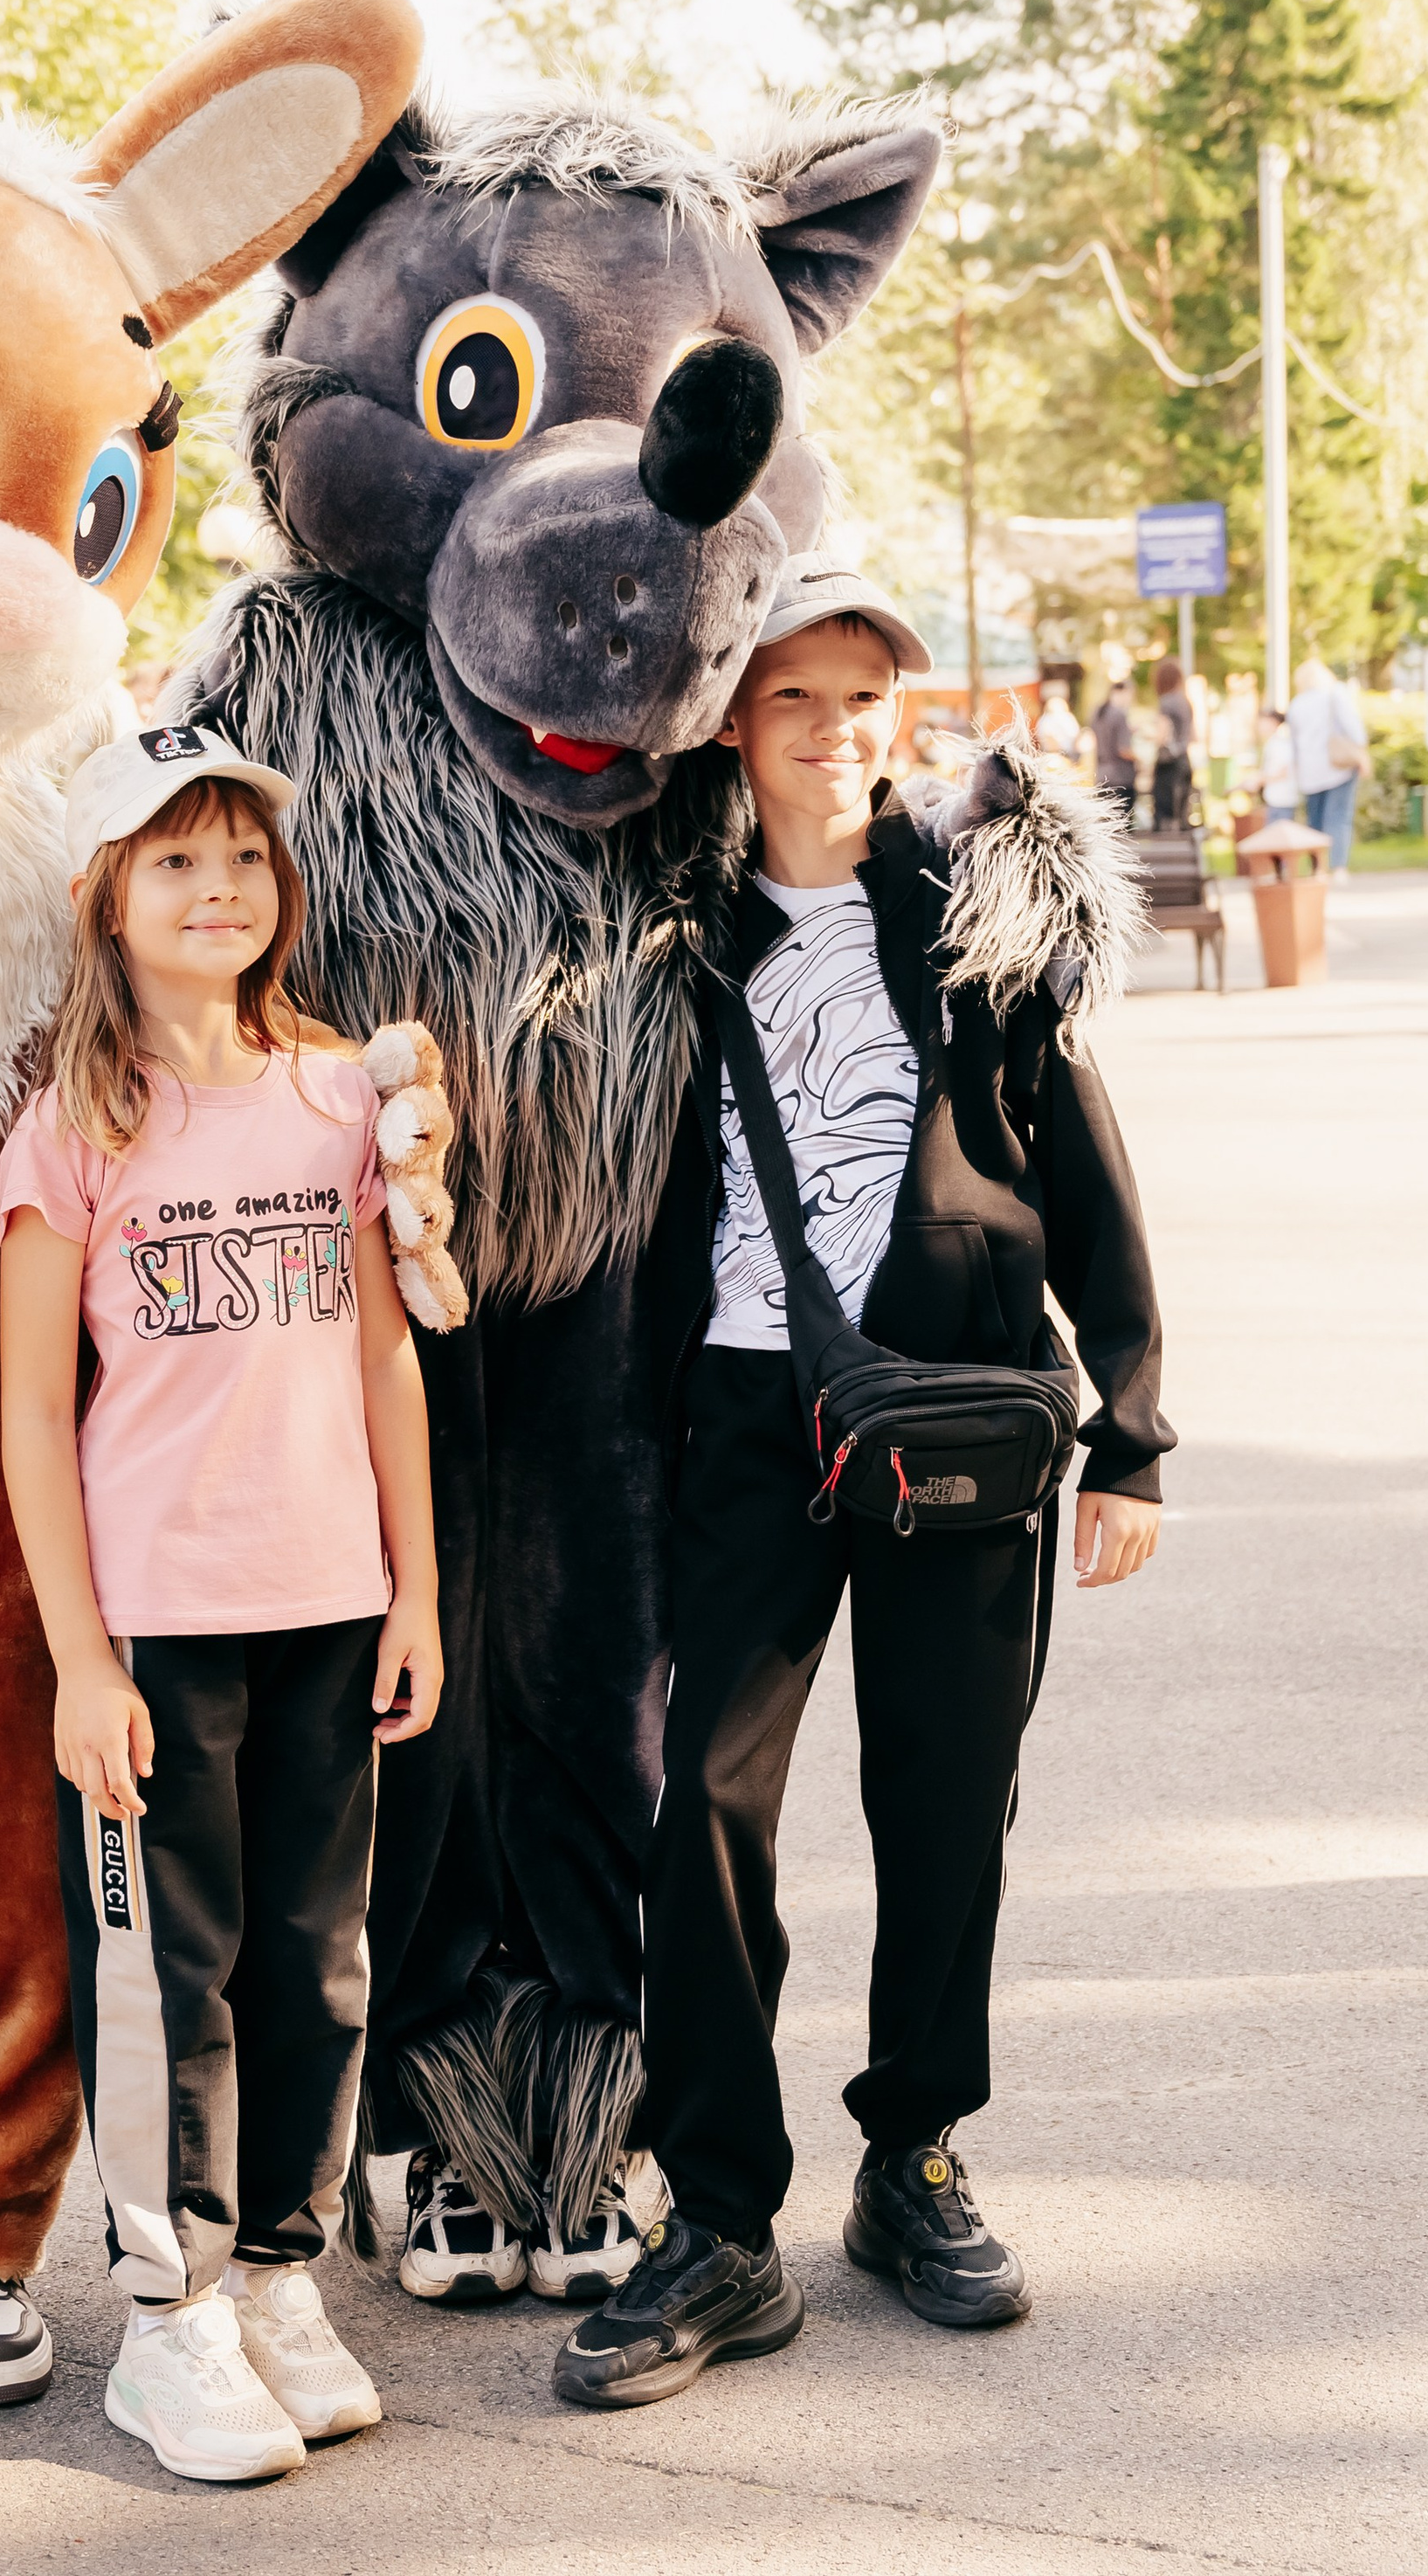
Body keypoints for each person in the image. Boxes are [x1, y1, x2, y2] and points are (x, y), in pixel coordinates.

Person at [553, 556, 1169, 2412]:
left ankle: (910, 2157)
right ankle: (719, 2223)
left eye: (863, 701)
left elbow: (1082, 1166)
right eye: (793, 701)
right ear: (732, 732)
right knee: (705, 1818)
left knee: (940, 1802)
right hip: (741, 1424)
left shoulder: (977, 912)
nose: (835, 735)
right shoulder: (660, 934)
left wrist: (1126, 1432)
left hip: (960, 1426)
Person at [0, 726, 443, 2487]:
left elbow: (387, 1355)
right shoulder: (74, 1122)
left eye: (242, 857)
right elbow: (34, 1406)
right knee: (166, 1980)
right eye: (173, 858)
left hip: (330, 1602)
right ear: (105, 895)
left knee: (314, 1963)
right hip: (156, 1626)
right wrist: (79, 1657)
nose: (215, 888)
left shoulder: (341, 1094)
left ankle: (275, 2273)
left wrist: (413, 1586)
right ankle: (166, 2320)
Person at [1287, 658, 1369, 872]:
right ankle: (1338, 866)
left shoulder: (1296, 704)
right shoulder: (1335, 694)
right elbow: (1354, 729)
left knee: (1314, 820)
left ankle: (1317, 868)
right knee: (1339, 816)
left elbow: (1294, 742)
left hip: (1309, 771)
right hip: (1337, 766)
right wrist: (1361, 753)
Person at [1150, 654, 1196, 830]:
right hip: (1184, 761)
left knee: (1165, 816)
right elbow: (1193, 735)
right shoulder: (1186, 702)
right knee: (1183, 814)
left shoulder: (1166, 702)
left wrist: (1148, 737)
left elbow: (1161, 735)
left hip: (1168, 765)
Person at [1089, 673, 1139, 820]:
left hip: (1102, 775)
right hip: (1121, 777)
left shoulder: (1098, 713)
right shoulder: (1119, 714)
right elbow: (1123, 749)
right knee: (1122, 825)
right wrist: (1140, 759)